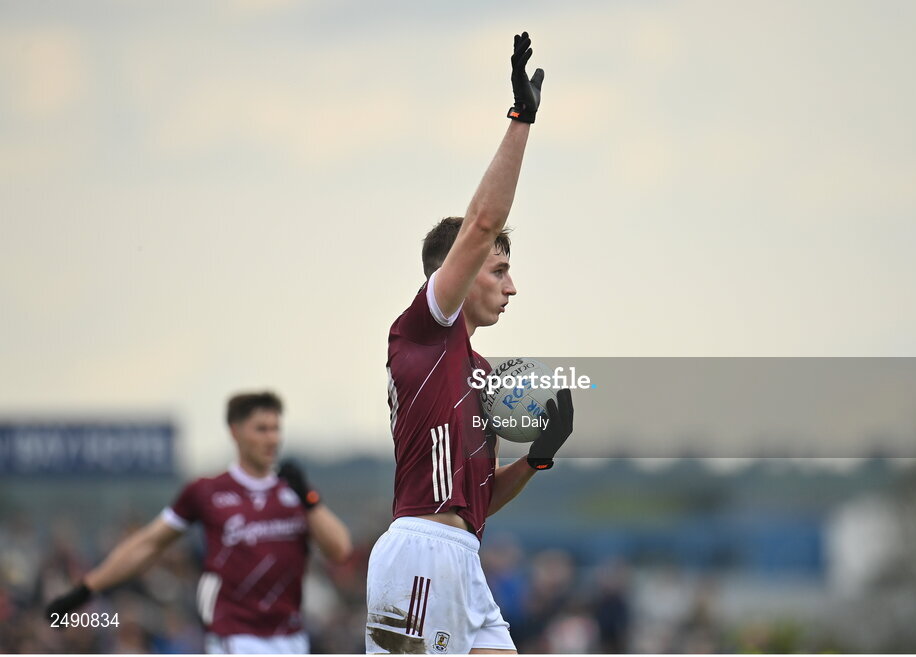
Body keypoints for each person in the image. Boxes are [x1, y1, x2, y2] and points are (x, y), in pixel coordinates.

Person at [366, 32, 574, 654]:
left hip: (462, 557)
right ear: (456, 271)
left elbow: (480, 501)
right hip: (419, 556)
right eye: (499, 269)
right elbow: (483, 223)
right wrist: (521, 120)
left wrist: (537, 457)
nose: (512, 287)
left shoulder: (477, 370)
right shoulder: (425, 327)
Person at [45, 391, 353, 654]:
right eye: (261, 429)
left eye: (275, 428)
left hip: (291, 639)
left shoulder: (295, 492)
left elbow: (339, 549)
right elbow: (148, 544)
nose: (271, 438)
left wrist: (309, 497)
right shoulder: (207, 492)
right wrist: (85, 590)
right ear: (235, 431)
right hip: (235, 639)